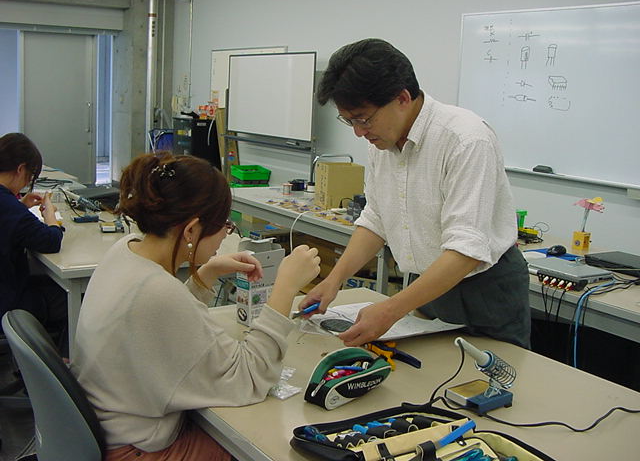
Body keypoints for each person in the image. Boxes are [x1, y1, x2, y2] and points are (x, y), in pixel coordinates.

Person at [71, 152, 320, 460]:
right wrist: (286, 287)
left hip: (110, 427)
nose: (225, 234)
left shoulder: (126, 250)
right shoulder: (157, 291)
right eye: (224, 225)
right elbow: (249, 378)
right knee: (271, 445)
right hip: (136, 449)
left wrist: (207, 273)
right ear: (190, 230)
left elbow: (162, 322)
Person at [300, 38, 530, 349]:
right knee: (431, 371)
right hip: (429, 287)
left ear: (402, 98)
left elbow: (466, 250)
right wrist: (333, 281)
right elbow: (376, 220)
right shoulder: (381, 142)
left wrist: (391, 309)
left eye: (363, 119)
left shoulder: (465, 139)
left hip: (486, 292)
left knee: (493, 373)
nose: (358, 132)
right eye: (349, 121)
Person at [0, 132, 67, 348]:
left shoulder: (9, 206)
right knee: (76, 296)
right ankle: (63, 362)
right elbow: (50, 241)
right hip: (9, 304)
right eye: (30, 177)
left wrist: (21, 206)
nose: (27, 183)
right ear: (20, 169)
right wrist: (50, 215)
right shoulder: (8, 207)